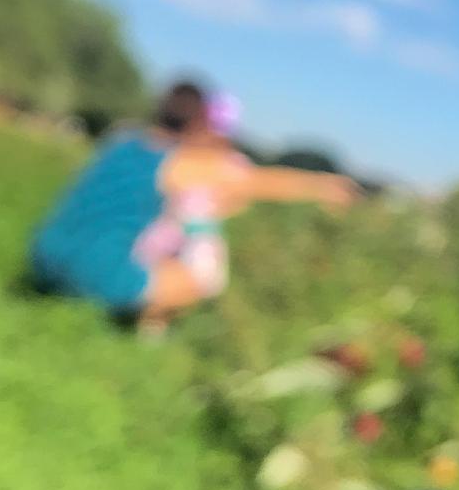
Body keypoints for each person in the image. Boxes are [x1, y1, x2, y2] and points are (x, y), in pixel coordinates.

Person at [28, 81, 356, 329]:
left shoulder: (123, 142)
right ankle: (146, 329)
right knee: (205, 276)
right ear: (200, 122)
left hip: (45, 254)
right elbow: (253, 181)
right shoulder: (176, 162)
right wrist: (322, 186)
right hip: (94, 272)